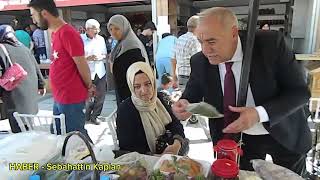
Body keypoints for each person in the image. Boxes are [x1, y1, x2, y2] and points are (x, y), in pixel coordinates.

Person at [172, 7, 311, 175]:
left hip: (284, 130)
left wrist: (258, 114)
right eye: (200, 42)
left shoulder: (270, 45)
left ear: (233, 33)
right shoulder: (200, 61)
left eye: (212, 41)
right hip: (239, 140)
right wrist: (185, 104)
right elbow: (192, 93)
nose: (205, 50)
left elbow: (299, 93)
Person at [28, 0, 94, 139]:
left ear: (44, 13)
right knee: (59, 136)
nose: (33, 20)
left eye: (33, 15)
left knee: (76, 139)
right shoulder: (56, 33)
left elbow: (82, 65)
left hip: (71, 98)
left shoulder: (68, 33)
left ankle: (94, 159)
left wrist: (89, 86)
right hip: (60, 97)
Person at [116, 62, 187, 155]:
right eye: (137, 86)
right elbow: (127, 148)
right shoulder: (125, 110)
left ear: (153, 82)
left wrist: (177, 143)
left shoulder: (158, 99)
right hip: (144, 161)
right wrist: (156, 157)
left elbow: (175, 123)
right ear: (131, 87)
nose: (144, 91)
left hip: (169, 154)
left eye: (148, 84)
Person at [0, 25, 45, 133]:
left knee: (19, 132)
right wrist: (41, 85)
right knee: (28, 127)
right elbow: (36, 67)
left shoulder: (1, 49)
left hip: (15, 97)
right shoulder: (23, 48)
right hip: (30, 96)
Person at [107, 14, 149, 106]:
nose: (113, 32)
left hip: (132, 95)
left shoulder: (131, 46)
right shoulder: (120, 45)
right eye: (110, 29)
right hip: (124, 93)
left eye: (117, 29)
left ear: (124, 28)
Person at [81, 19, 108, 125]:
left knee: (100, 95)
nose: (98, 31)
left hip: (100, 71)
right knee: (87, 96)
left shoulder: (101, 39)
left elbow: (105, 54)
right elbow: (76, 57)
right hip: (86, 72)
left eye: (98, 29)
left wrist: (100, 57)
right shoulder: (80, 39)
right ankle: (86, 115)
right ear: (88, 29)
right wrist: (87, 58)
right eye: (95, 29)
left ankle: (95, 115)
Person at [171, 16, 201, 91]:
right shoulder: (195, 40)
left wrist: (174, 75)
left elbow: (173, 59)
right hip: (192, 76)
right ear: (198, 26)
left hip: (181, 75)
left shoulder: (180, 39)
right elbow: (197, 60)